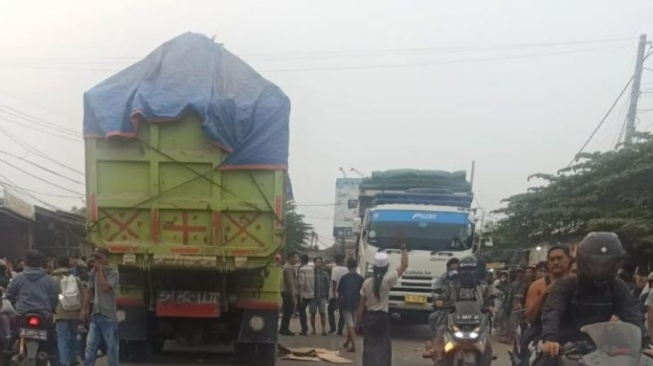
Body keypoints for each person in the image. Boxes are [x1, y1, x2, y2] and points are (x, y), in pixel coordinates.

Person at [540, 232, 647, 362]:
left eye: (607, 264)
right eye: (595, 264)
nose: (601, 269)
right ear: (583, 261)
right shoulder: (567, 284)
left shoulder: (618, 287)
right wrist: (550, 339)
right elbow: (552, 311)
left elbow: (633, 316)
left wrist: (645, 342)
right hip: (564, 347)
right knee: (545, 361)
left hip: (603, 349)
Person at [431, 255, 494, 364]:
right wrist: (440, 300)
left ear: (475, 270)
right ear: (460, 270)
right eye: (464, 269)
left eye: (470, 269)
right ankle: (439, 355)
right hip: (454, 319)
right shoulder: (451, 285)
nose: (467, 272)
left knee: (487, 341)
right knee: (441, 330)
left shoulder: (483, 286)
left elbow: (490, 296)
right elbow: (443, 294)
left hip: (477, 321)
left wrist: (490, 305)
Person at [357, 243, 408, 366]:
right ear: (386, 267)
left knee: (369, 346)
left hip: (369, 317)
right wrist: (404, 249)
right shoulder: (388, 280)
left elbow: (361, 304)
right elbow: (404, 265)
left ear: (374, 267)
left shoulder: (366, 282)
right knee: (383, 347)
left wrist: (359, 321)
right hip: (382, 318)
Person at [6, 250, 59, 364]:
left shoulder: (18, 278)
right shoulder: (49, 279)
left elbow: (9, 294)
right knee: (53, 347)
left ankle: (7, 358)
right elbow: (54, 298)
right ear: (41, 262)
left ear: (26, 262)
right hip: (44, 316)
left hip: (22, 315)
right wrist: (51, 309)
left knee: (11, 341)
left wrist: (14, 301)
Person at [81, 248, 120, 366]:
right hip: (96, 315)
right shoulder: (93, 272)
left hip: (108, 316)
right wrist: (84, 308)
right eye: (95, 258)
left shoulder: (114, 272)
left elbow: (105, 287)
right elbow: (90, 290)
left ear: (106, 258)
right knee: (90, 347)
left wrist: (100, 272)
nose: (96, 261)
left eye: (99, 258)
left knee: (111, 347)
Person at [423, 258, 459, 358]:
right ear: (447, 269)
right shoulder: (442, 279)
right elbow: (435, 291)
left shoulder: (466, 280)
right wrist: (438, 299)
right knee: (433, 317)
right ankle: (435, 346)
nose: (455, 271)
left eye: (457, 268)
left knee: (483, 321)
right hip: (447, 310)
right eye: (452, 269)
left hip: (464, 311)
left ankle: (484, 347)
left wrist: (488, 304)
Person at [53, 256, 83, 366]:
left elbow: (54, 297)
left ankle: (63, 361)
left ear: (57, 264)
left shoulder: (54, 279)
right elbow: (81, 295)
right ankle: (73, 359)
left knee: (62, 338)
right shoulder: (76, 279)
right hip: (75, 312)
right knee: (74, 337)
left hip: (60, 313)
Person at [337, 257, 364, 352]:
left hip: (346, 303)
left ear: (347, 266)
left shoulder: (344, 278)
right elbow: (363, 293)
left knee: (350, 324)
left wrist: (338, 303)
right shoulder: (361, 278)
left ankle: (353, 345)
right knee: (351, 324)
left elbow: (340, 293)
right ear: (356, 266)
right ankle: (347, 342)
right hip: (357, 304)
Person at [279, 251, 298, 336]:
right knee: (288, 312)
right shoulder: (288, 268)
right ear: (290, 258)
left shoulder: (286, 267)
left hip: (285, 292)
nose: (296, 259)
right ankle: (285, 329)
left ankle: (283, 329)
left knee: (287, 312)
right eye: (295, 257)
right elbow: (290, 283)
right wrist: (293, 296)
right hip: (287, 292)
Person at [310, 257, 330, 335]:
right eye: (317, 262)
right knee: (312, 313)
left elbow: (327, 285)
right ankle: (313, 329)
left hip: (322, 297)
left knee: (322, 313)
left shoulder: (324, 274)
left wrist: (327, 295)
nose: (318, 263)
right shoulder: (311, 273)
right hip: (313, 297)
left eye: (320, 262)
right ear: (314, 263)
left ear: (322, 263)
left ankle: (323, 329)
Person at [330, 254, 348, 335]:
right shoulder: (347, 269)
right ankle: (340, 330)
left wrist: (334, 294)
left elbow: (334, 282)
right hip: (344, 294)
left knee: (330, 311)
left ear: (336, 260)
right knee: (342, 313)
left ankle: (333, 328)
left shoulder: (335, 269)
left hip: (336, 294)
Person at [296, 254, 314, 336]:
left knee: (302, 312)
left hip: (304, 294)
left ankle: (304, 329)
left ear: (301, 260)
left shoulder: (301, 269)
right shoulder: (311, 269)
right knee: (304, 311)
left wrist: (300, 294)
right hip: (311, 292)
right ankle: (305, 328)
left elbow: (302, 282)